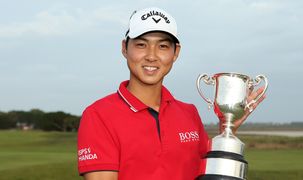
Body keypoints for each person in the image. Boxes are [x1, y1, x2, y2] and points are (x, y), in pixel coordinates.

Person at [77, 7, 266, 180]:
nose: (151, 55)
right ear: (124, 48)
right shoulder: (98, 115)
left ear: (176, 53)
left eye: (163, 46)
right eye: (141, 45)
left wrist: (229, 128)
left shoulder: (189, 113)